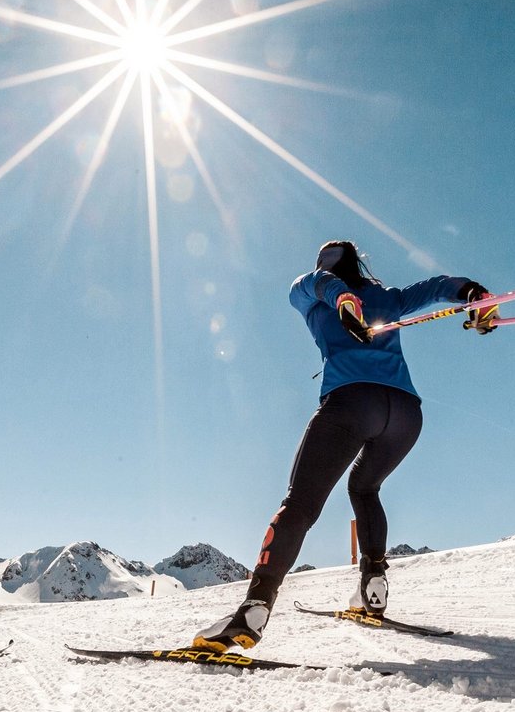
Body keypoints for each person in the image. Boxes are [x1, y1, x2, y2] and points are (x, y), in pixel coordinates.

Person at [195, 241, 493, 652]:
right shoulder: (386, 297)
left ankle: (254, 610)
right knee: (364, 488)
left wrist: (342, 300)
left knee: (300, 504)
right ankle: (373, 586)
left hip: (352, 403)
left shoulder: (309, 291)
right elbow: (437, 286)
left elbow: (317, 284)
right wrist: (472, 294)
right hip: (405, 414)